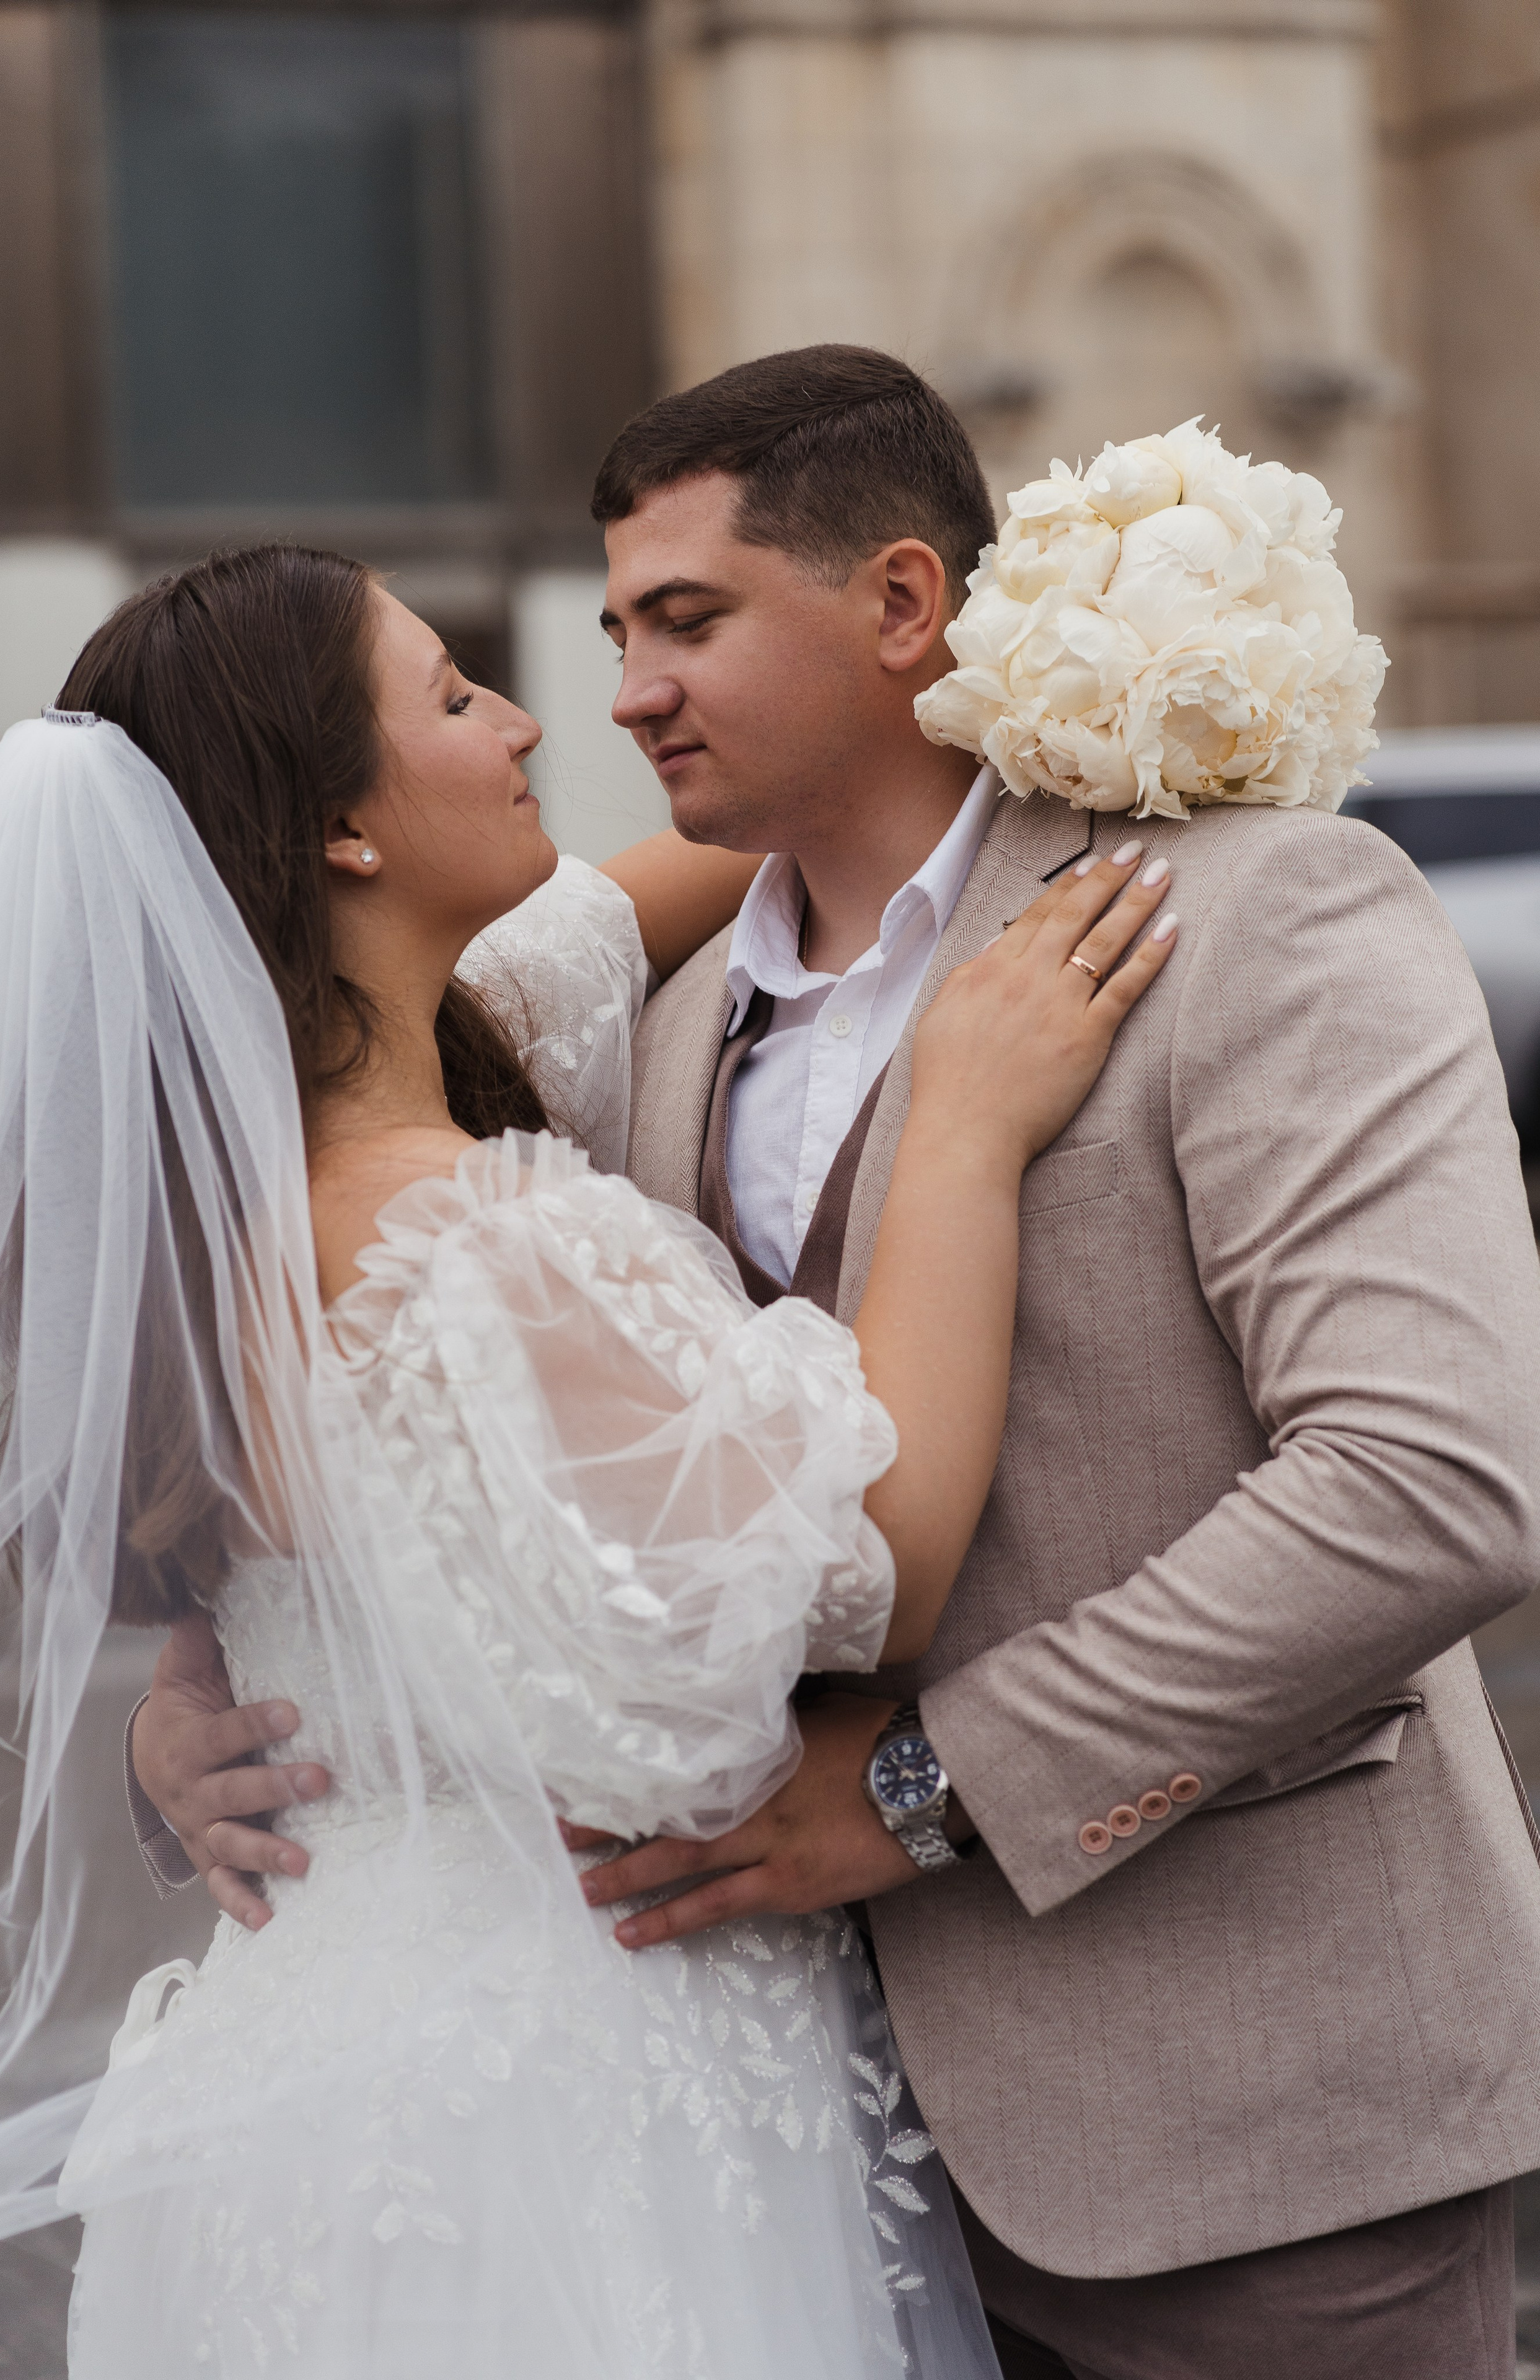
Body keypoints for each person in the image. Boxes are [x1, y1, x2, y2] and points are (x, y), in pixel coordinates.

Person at [141, 348, 1540, 2380]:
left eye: (685, 621)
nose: (614, 698)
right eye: (612, 636)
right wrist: (200, 1694)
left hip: (1244, 2130)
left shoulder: (1258, 918)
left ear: (902, 605)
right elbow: (396, 1430)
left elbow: (1435, 1483)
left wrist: (923, 1787)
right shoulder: (606, 1039)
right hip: (778, 2175)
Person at [0, 542, 1173, 2378]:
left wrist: (1025, 671)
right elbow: (882, 1560)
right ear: (341, 835)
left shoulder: (208, 1199)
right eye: (453, 697)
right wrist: (965, 1127)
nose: (529, 720)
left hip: (296, 2082)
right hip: (561, 2101)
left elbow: (692, 863)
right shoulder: (476, 1242)